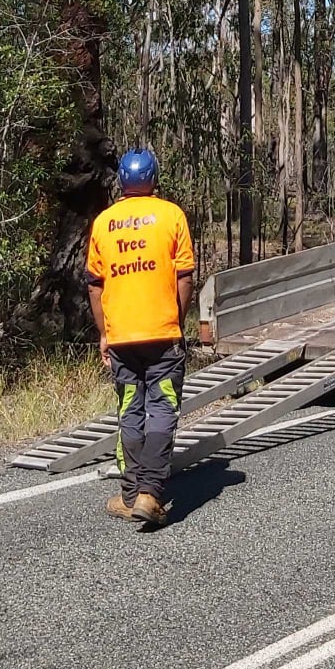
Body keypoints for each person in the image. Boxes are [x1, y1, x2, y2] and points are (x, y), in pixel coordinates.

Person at [85, 149, 195, 529]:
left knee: (130, 409)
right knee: (162, 408)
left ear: (121, 182)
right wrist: (177, 321)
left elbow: (95, 288)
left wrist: (104, 333)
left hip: (121, 336)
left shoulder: (103, 223)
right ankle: (149, 493)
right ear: (154, 178)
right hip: (162, 333)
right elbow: (184, 278)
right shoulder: (171, 215)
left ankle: (130, 494)